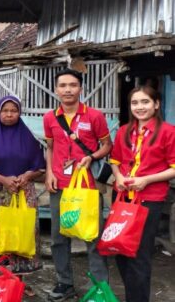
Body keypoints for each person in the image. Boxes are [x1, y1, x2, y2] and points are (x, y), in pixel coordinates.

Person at [43, 69, 112, 301]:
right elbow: (50, 147)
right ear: (56, 89)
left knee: (92, 237)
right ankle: (65, 283)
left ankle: (100, 287)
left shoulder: (94, 115)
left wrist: (92, 157)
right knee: (58, 237)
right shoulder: (50, 117)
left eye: (73, 85)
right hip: (60, 185)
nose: (68, 90)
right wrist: (49, 173)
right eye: (63, 85)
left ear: (81, 88)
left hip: (88, 186)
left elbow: (107, 146)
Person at [109, 86, 175, 301]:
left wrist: (146, 180)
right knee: (118, 249)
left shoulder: (168, 132)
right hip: (122, 198)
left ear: (156, 104)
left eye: (145, 102)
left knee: (138, 255)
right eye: (135, 103)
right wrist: (118, 177)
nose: (140, 107)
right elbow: (115, 161)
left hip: (149, 200)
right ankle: (133, 296)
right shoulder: (123, 131)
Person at [0, 96, 45, 294]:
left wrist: (27, 176)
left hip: (24, 191)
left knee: (23, 233)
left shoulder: (27, 137)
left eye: (13, 110)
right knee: (1, 234)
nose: (8, 114)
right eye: (4, 110)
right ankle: (0, 280)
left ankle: (19, 282)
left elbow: (39, 166)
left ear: (19, 113)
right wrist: (5, 180)